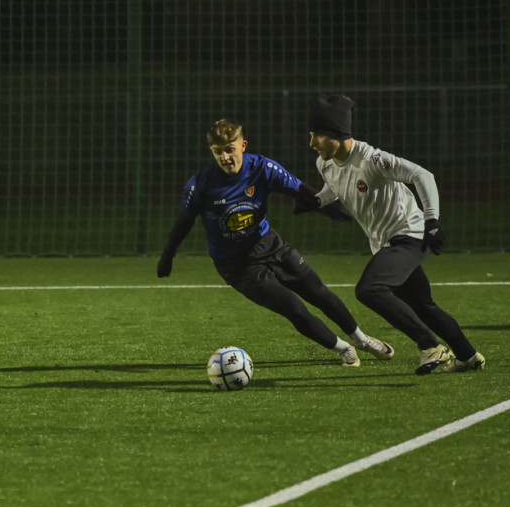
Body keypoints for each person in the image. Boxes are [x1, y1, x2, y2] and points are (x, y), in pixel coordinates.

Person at [156, 118, 394, 367]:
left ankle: (361, 339)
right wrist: (167, 256)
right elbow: (183, 223)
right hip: (238, 266)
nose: (225, 157)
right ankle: (343, 349)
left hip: (272, 246)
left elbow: (299, 189)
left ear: (242, 146)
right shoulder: (200, 185)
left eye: (230, 149)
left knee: (318, 292)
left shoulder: (262, 167)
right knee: (293, 307)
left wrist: (330, 209)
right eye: (218, 152)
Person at [302, 95, 485, 375]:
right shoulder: (323, 163)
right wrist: (317, 201)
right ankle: (468, 356)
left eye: (318, 136)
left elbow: (422, 175)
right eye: (311, 135)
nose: (312, 143)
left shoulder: (371, 159)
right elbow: (334, 186)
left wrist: (432, 220)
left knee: (369, 290)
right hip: (385, 244)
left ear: (337, 134)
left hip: (409, 234)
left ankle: (430, 346)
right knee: (423, 306)